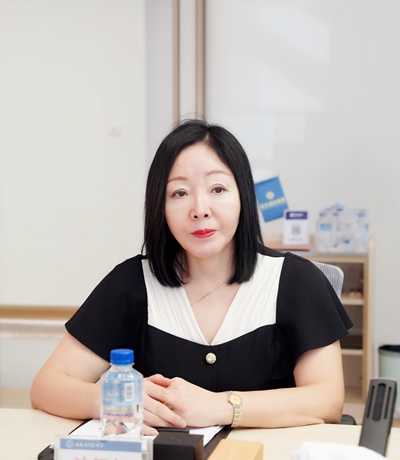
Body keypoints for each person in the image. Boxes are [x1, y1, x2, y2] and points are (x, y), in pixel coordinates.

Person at [31, 119, 352, 435]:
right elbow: (47, 386)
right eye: (180, 193)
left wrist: (221, 406)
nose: (200, 209)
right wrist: (114, 399)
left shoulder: (296, 281)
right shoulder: (132, 283)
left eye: (218, 189)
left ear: (243, 195)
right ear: (159, 205)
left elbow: (327, 400)